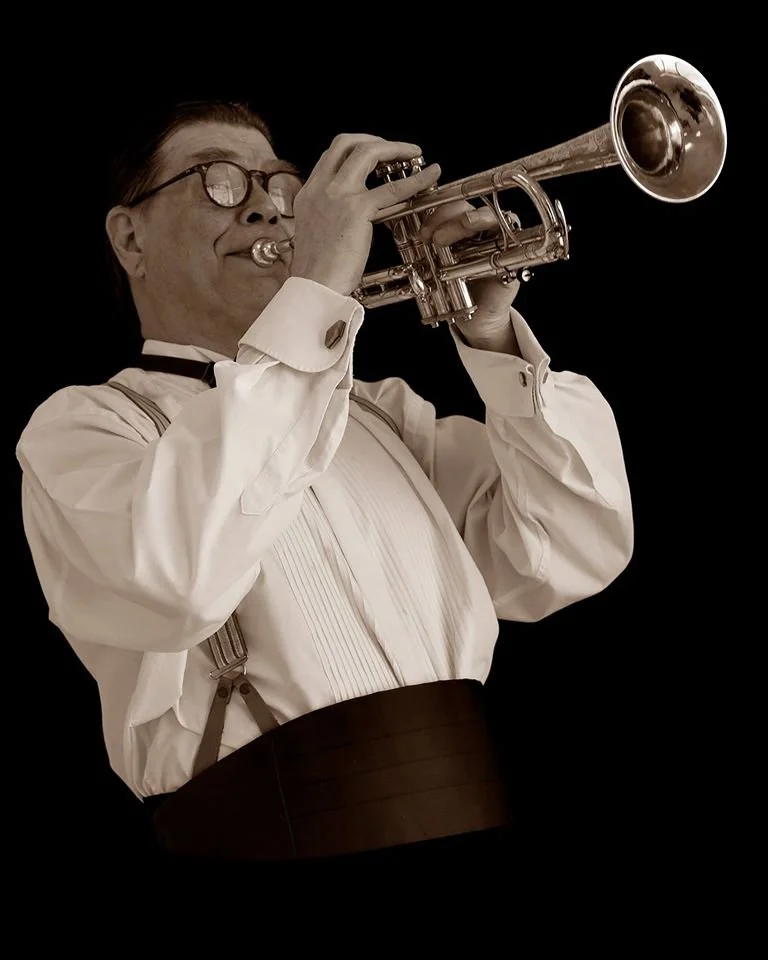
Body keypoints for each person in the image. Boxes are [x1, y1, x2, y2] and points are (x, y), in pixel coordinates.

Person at [15, 100, 634, 871]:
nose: (269, 204)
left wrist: (492, 336)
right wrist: (317, 290)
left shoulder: (379, 415)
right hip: (275, 840)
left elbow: (571, 550)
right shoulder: (87, 427)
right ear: (129, 237)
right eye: (219, 181)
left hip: (478, 809)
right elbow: (174, 580)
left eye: (280, 181)